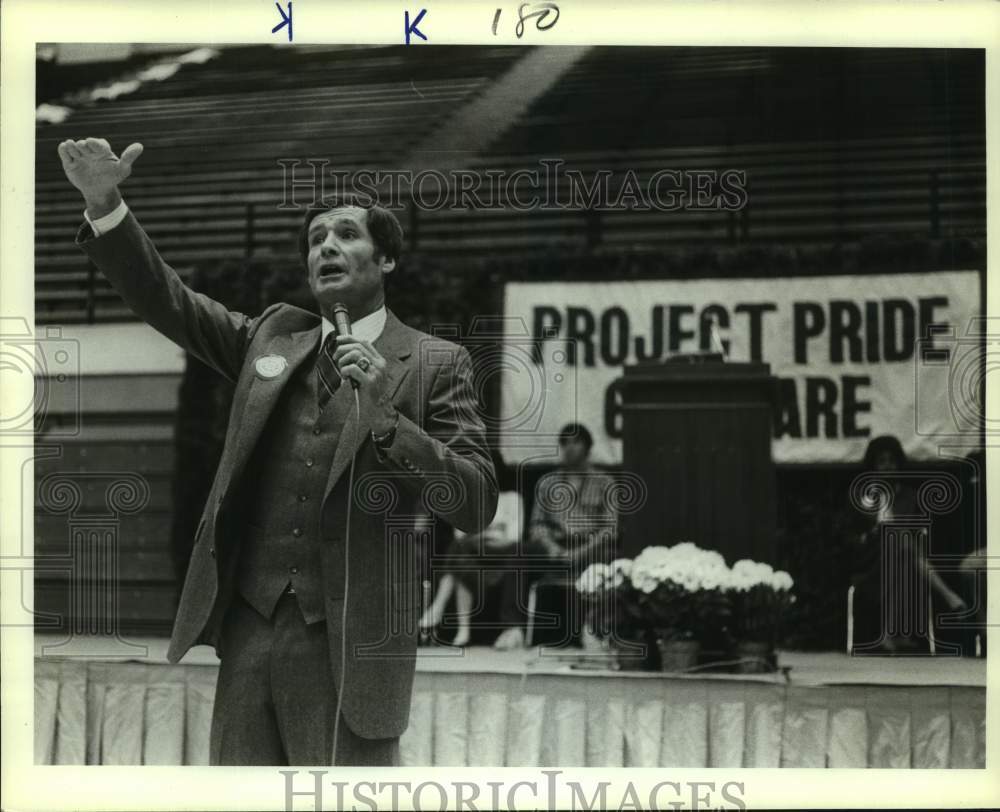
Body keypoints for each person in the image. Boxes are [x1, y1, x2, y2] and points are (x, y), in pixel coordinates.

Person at [58, 138, 498, 765]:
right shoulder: (271, 338)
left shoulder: (435, 362)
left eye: (346, 234)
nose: (326, 247)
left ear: (387, 259)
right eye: (316, 239)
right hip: (249, 630)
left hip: (352, 646)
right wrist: (106, 205)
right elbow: (170, 301)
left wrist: (386, 416)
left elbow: (476, 503)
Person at [493, 423, 618, 650]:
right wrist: (553, 548)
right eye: (565, 443)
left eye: (576, 442)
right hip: (554, 546)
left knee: (611, 561)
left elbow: (610, 528)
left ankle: (595, 629)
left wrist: (581, 552)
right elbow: (537, 525)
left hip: (590, 546)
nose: (569, 448)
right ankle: (513, 629)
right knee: (520, 553)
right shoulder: (547, 482)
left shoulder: (605, 482)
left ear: (588, 447)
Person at [848, 435, 966, 654]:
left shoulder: (911, 496)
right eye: (882, 462)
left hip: (905, 560)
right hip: (870, 564)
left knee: (901, 552)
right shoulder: (863, 495)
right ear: (873, 466)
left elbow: (920, 534)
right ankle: (948, 596)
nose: (887, 467)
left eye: (892, 461)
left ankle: (890, 635)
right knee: (899, 541)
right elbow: (855, 536)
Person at [419, 490, 523, 647]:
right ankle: (463, 631)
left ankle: (438, 608)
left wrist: (480, 535)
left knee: (458, 548)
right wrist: (491, 533)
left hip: (501, 559)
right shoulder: (471, 499)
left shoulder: (512, 498)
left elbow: (513, 538)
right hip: (474, 560)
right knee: (461, 563)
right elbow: (459, 533)